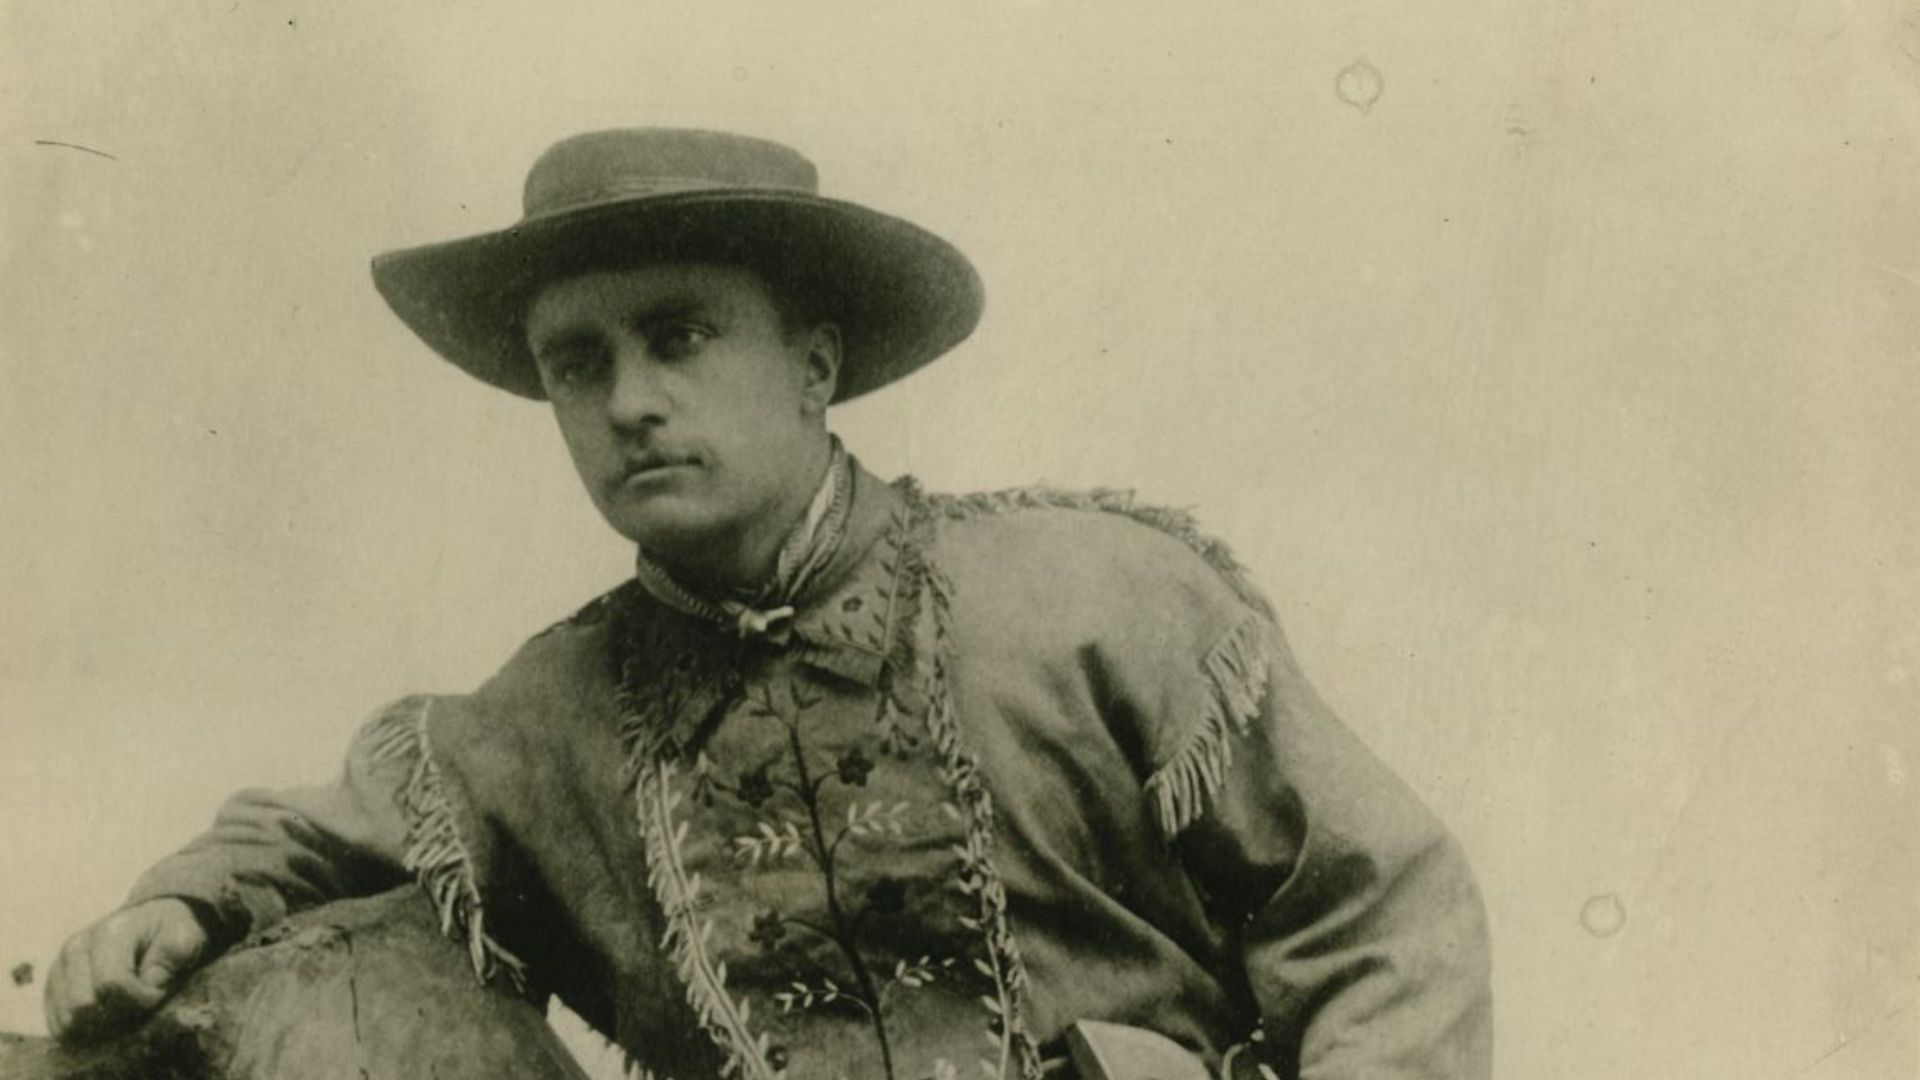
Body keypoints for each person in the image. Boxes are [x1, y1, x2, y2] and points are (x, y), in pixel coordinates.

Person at [43, 128, 1492, 1080]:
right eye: (576, 363)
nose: (628, 403)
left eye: (678, 337)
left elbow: (1377, 915)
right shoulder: (545, 722)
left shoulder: (1089, 598)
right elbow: (313, 837)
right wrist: (173, 902)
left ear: (813, 362)